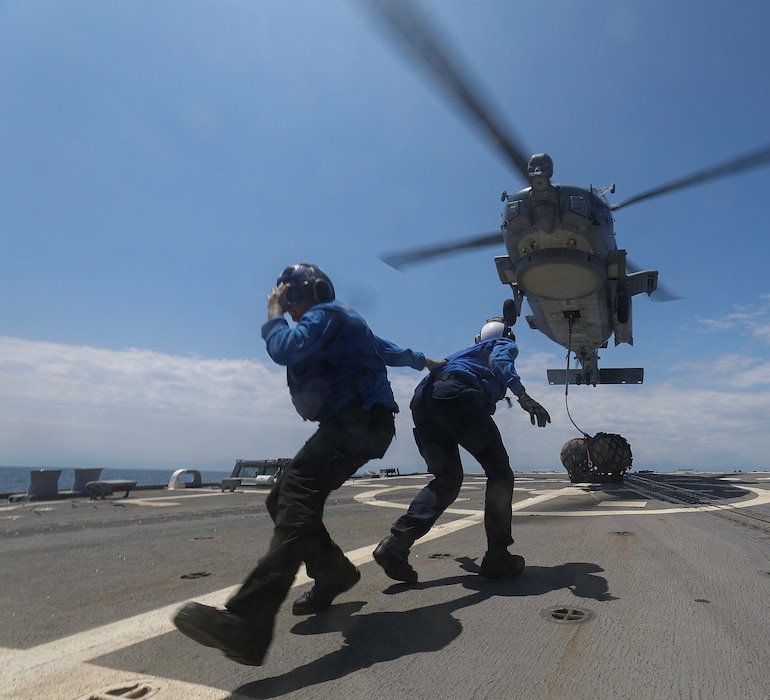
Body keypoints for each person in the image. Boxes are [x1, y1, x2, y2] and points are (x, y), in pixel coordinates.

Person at [173, 263, 443, 666]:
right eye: (286, 300)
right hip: (362, 424)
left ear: (313, 292)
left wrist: (272, 315)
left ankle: (249, 621)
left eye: (292, 298)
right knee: (281, 498)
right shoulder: (344, 322)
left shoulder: (326, 314)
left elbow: (285, 349)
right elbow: (387, 350)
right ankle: (331, 570)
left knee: (296, 496)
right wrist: (426, 362)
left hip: (356, 422)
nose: (291, 308)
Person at [373, 317, 550, 583]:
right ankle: (498, 556)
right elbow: (500, 363)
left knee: (447, 479)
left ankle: (396, 544)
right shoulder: (502, 344)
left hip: (423, 399)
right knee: (500, 473)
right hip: (456, 394)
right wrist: (522, 395)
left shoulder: (464, 353)